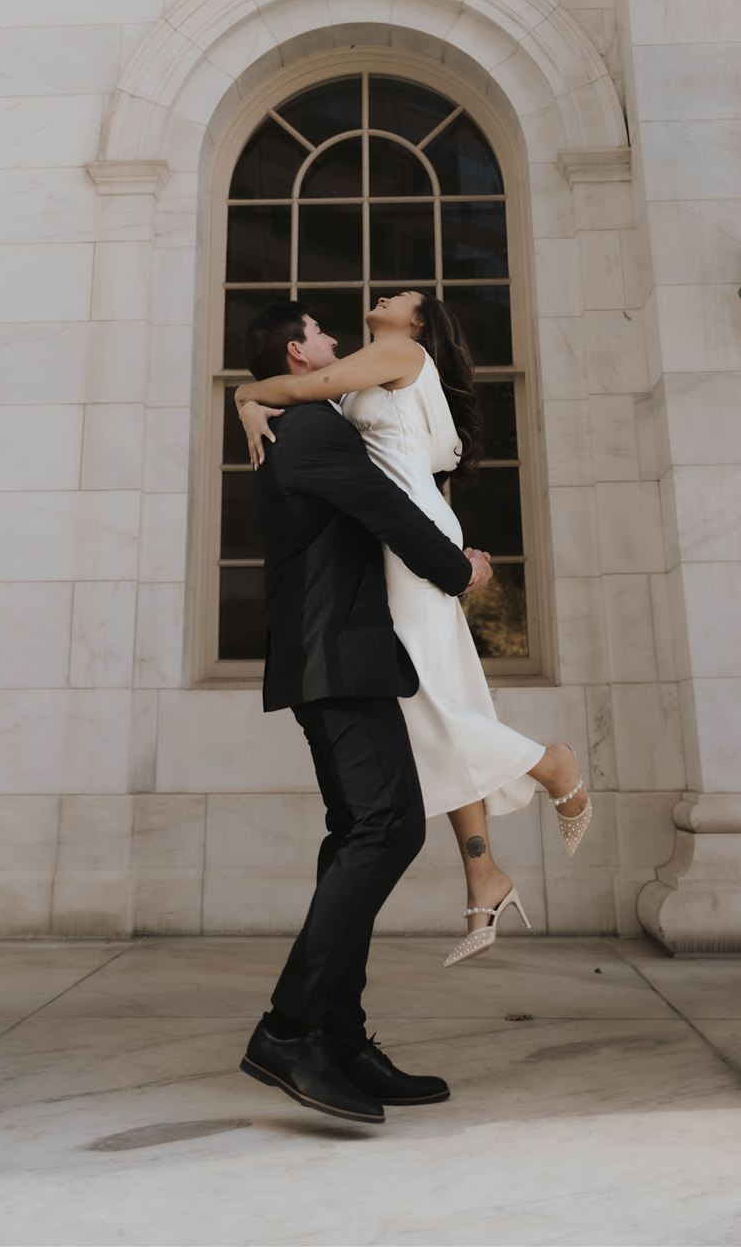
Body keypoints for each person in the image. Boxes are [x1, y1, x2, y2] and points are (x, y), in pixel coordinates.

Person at [236, 291, 592, 972]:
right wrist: (254, 401)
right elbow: (318, 397)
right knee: (429, 703)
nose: (384, 296)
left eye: (404, 296)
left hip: (413, 540)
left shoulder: (398, 353)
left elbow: (305, 384)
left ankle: (553, 764)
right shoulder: (372, 380)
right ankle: (482, 875)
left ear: (419, 323)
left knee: (425, 699)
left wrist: (244, 395)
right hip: (405, 538)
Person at [236, 298, 496, 1128]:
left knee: (360, 829)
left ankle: (339, 1040)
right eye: (318, 334)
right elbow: (388, 514)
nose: (335, 339)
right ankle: (286, 1030)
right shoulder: (310, 433)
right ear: (295, 354)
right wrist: (459, 572)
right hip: (334, 658)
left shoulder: (306, 424)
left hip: (344, 656)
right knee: (387, 828)